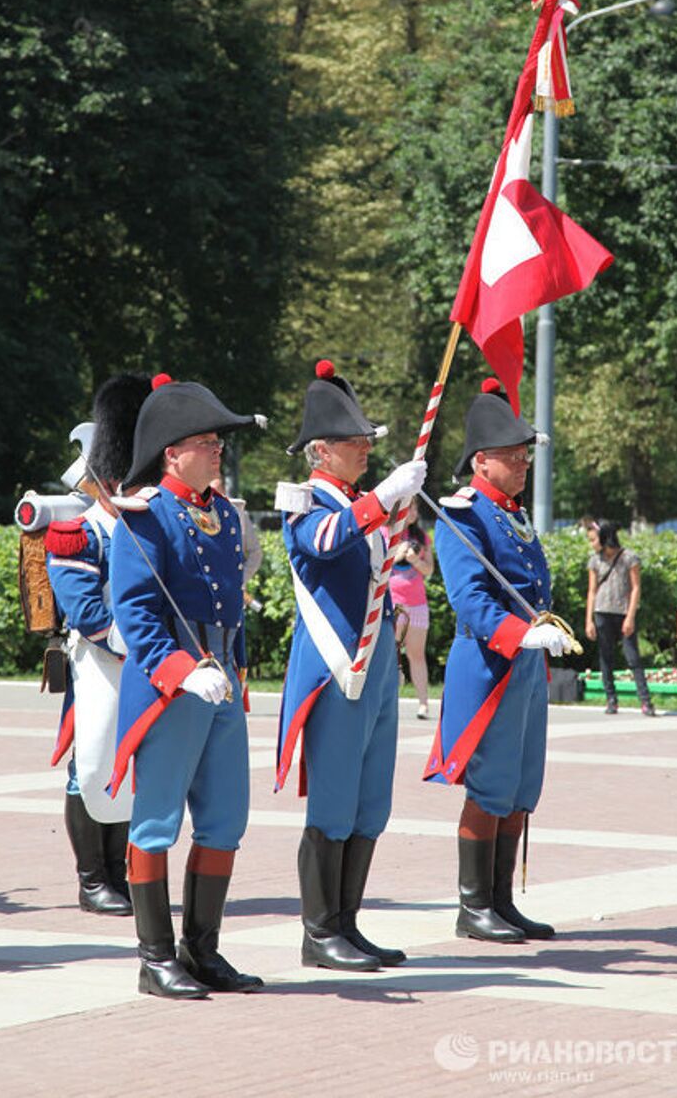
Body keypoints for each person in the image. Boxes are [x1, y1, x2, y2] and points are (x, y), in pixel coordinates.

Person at [108, 373, 266, 1000]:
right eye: (207, 440)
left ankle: (202, 951)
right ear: (173, 452)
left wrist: (232, 671)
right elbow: (136, 614)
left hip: (222, 679)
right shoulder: (145, 518)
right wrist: (180, 672)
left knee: (226, 819)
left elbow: (231, 606)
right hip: (174, 686)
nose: (218, 449)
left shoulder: (222, 515)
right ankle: (155, 958)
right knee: (155, 823)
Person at [275, 359, 426, 971]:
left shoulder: (366, 502)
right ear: (321, 450)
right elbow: (323, 540)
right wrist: (385, 499)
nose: (365, 448)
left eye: (365, 439)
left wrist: (392, 506)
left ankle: (347, 922)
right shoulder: (305, 500)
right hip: (338, 664)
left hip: (377, 660)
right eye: (353, 441)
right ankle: (319, 933)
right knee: (334, 801)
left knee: (371, 802)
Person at [424, 378, 567, 943]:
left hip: (526, 665)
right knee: (489, 785)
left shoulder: (512, 512)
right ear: (482, 462)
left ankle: (502, 900)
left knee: (521, 786)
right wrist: (519, 634)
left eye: (524, 454)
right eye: (512, 456)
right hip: (489, 664)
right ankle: (473, 904)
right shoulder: (464, 514)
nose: (523, 464)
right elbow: (470, 599)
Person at [46, 373, 151, 917]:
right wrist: (137, 646)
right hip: (99, 661)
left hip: (142, 663)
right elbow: (86, 610)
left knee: (128, 761)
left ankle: (120, 872)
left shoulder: (148, 526)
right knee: (88, 765)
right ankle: (93, 879)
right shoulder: (76, 533)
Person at [585, 519, 654, 716]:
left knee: (633, 658)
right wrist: (589, 620)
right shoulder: (595, 560)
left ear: (605, 538)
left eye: (593, 539)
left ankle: (645, 701)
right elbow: (591, 591)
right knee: (606, 658)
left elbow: (636, 588)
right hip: (601, 611)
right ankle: (611, 700)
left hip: (623, 613)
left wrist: (631, 616)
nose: (592, 544)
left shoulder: (629, 557)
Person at [387, 500, 434, 718]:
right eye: (410, 507)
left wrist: (415, 560)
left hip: (417, 604)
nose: (413, 513)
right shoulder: (383, 532)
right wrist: (397, 556)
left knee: (416, 655)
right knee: (389, 656)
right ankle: (387, 701)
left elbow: (429, 570)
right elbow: (377, 568)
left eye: (415, 508)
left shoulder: (422, 537)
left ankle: (423, 704)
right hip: (392, 604)